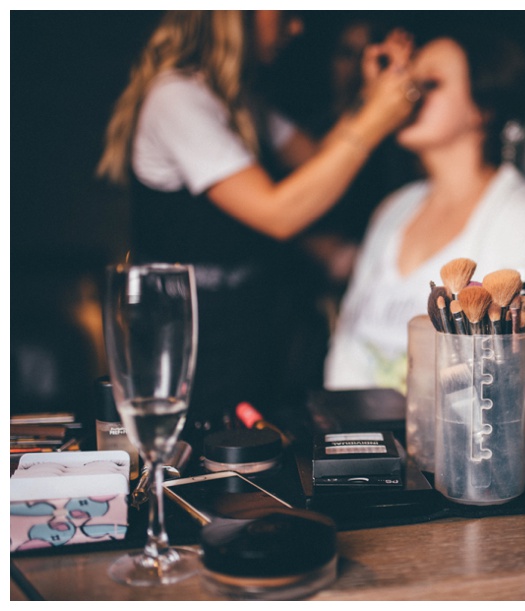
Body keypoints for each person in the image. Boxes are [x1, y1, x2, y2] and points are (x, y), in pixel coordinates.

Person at [97, 10, 419, 432]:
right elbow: (280, 212)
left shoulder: (238, 99)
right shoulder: (177, 96)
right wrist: (375, 118)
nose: (297, 26)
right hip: (189, 342)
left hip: (250, 326)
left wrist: (368, 96)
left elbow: (318, 161)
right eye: (284, 13)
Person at [323, 29, 525, 390]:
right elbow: (348, 346)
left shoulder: (523, 214)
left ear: (483, 108)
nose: (406, 96)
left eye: (429, 84)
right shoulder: (393, 208)